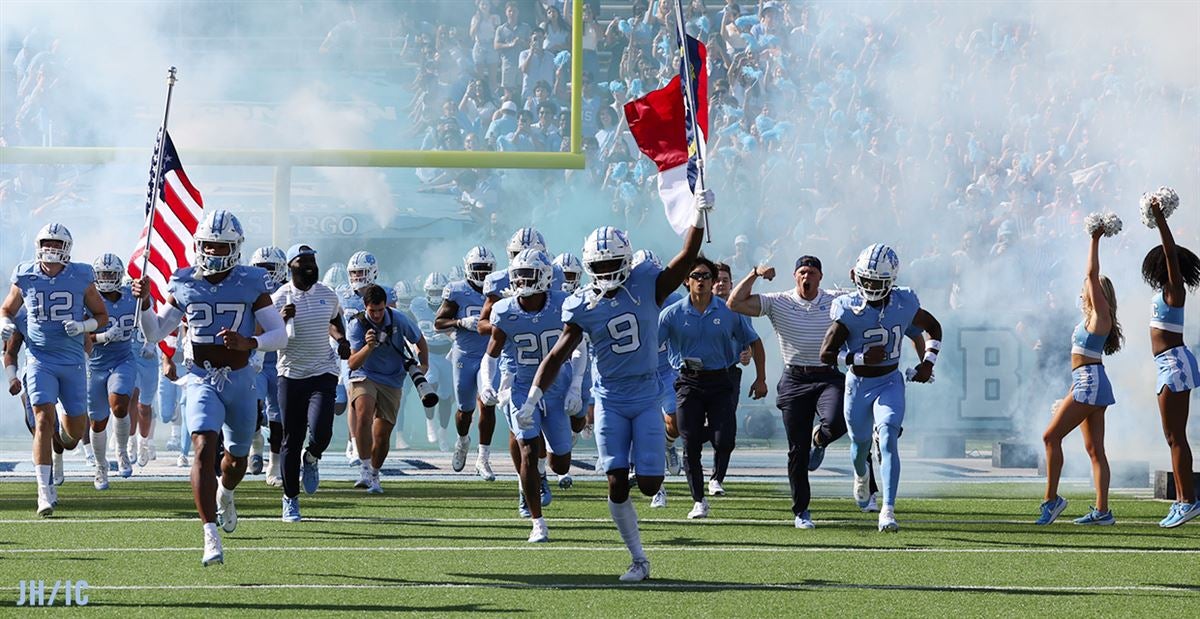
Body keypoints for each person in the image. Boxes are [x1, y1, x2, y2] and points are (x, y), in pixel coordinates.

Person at [526, 190, 711, 582]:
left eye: (613, 262)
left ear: (628, 260)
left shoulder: (647, 283)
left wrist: (698, 216)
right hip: (610, 397)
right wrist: (534, 396)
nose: (607, 270)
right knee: (615, 481)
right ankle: (638, 559)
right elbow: (558, 354)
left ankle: (654, 452)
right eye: (600, 264)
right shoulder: (581, 304)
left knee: (649, 484)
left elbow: (684, 261)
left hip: (646, 395)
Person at [134, 210, 287, 565]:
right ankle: (209, 534)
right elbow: (155, 332)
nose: (214, 253)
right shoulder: (185, 281)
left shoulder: (251, 281)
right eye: (208, 245)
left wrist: (249, 342)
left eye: (221, 246)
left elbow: (280, 335)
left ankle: (226, 493)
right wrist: (144, 306)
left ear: (235, 248)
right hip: (201, 377)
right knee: (203, 445)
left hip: (240, 380)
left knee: (236, 459)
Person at [730, 255, 884, 529]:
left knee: (840, 422)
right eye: (802, 271)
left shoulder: (835, 299)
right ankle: (801, 511)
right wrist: (755, 273)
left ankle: (821, 440)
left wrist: (859, 282)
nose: (806, 277)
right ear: (795, 276)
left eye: (812, 272)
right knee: (796, 451)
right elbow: (735, 302)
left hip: (828, 376)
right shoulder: (780, 300)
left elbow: (871, 301)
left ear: (820, 277)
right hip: (794, 379)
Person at [819, 243, 942, 533]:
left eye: (878, 281)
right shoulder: (847, 308)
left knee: (888, 438)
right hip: (858, 383)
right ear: (856, 277)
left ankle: (887, 509)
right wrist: (858, 357)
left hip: (890, 380)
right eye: (867, 279)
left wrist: (928, 362)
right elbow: (826, 354)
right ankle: (861, 476)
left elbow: (933, 327)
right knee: (859, 446)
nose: (871, 286)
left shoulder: (904, 302)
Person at [1, 223, 108, 517]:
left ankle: (65, 432)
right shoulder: (25, 274)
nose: (51, 248)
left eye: (57, 243)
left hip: (72, 362)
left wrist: (84, 326)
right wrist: (5, 323)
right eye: (47, 242)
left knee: (73, 434)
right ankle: (44, 493)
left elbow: (102, 316)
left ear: (67, 248)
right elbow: (6, 309)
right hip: (39, 361)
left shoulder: (81, 275)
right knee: (41, 419)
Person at [479, 249, 580, 542]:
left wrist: (576, 386)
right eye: (518, 275)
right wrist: (488, 383)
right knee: (526, 448)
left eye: (528, 274)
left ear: (546, 276)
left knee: (560, 463)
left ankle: (544, 470)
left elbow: (580, 346)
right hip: (521, 388)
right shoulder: (505, 310)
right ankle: (537, 521)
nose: (522, 280)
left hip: (557, 387)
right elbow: (491, 354)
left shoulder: (562, 304)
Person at [659, 256, 765, 519]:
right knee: (690, 442)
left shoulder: (728, 311)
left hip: (720, 380)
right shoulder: (672, 314)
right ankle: (698, 500)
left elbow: (753, 341)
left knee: (724, 440)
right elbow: (651, 346)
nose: (703, 281)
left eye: (707, 276)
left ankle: (704, 436)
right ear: (686, 280)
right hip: (688, 381)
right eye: (697, 276)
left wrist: (760, 377)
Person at [1037, 220, 1124, 526]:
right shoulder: (1091, 319)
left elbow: (1089, 274)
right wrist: (1068, 395)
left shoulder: (1101, 318)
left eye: (1092, 289)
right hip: (1087, 383)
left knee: (1050, 437)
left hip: (1090, 383)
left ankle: (1052, 500)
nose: (1086, 289)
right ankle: (1102, 512)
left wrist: (1095, 238)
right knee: (1094, 449)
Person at [272, 243, 351, 523]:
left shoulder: (328, 295)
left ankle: (313, 457)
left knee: (322, 431)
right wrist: (280, 320)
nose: (309, 267)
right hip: (291, 374)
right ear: (290, 267)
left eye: (313, 262)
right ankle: (290, 498)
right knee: (291, 439)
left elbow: (334, 321)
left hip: (323, 372)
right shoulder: (280, 297)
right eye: (303, 262)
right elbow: (264, 332)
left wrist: (341, 340)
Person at [1141, 191, 1200, 527]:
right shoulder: (1162, 292)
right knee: (1173, 436)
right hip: (1168, 364)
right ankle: (1183, 500)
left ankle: (1187, 500)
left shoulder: (1174, 290)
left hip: (1175, 362)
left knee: (1176, 436)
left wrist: (1159, 219)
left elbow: (1170, 255)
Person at [347, 284, 427, 494]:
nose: (377, 315)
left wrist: (423, 365)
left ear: (385, 306)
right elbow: (353, 363)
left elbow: (419, 339)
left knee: (382, 434)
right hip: (365, 374)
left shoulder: (399, 319)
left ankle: (375, 473)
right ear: (365, 307)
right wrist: (368, 347)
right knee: (363, 412)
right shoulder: (357, 324)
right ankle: (364, 469)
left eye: (380, 310)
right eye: (372, 310)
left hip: (393, 378)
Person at [436, 245, 498, 480]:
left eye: (486, 269)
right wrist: (461, 322)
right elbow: (439, 322)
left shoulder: (500, 289)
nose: (482, 274)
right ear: (468, 269)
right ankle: (463, 440)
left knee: (488, 401)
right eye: (478, 269)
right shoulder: (457, 291)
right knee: (465, 410)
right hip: (464, 355)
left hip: (489, 356)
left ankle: (483, 458)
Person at [706, 261, 765, 497]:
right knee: (697, 426)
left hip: (728, 374)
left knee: (726, 428)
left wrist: (747, 353)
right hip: (700, 375)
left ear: (732, 284)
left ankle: (716, 477)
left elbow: (748, 341)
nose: (721, 284)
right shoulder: (698, 306)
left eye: (725, 280)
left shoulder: (738, 309)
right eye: (717, 279)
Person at [629, 249, 682, 510]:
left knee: (676, 423)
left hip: (667, 369)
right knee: (642, 428)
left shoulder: (673, 299)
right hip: (638, 373)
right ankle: (655, 487)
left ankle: (668, 445)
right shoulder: (628, 298)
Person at [341, 251, 398, 471]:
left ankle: (361, 443)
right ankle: (354, 443)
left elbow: (392, 320)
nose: (357, 277)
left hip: (380, 353)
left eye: (361, 272)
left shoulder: (386, 293)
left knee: (373, 408)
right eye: (354, 272)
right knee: (353, 398)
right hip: (351, 352)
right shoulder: (342, 293)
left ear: (373, 272)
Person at [85, 253, 138, 489]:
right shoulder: (88, 299)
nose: (107, 279)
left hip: (122, 359)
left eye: (111, 274)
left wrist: (144, 295)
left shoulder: (131, 297)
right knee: (97, 422)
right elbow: (79, 337)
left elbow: (148, 312)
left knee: (119, 404)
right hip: (95, 364)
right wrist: (102, 336)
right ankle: (100, 466)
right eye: (103, 274)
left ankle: (122, 451)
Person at [249, 246, 288, 485]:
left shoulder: (289, 290)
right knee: (252, 409)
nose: (264, 273)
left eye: (269, 268)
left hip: (282, 360)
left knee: (278, 416)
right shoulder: (249, 290)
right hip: (256, 359)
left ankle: (274, 464)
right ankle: (255, 442)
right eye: (259, 268)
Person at [411, 271, 456, 450]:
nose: (436, 296)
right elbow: (407, 320)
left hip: (446, 355)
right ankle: (430, 421)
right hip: (428, 353)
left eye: (440, 292)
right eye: (433, 292)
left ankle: (443, 433)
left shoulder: (452, 306)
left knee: (445, 397)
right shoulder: (417, 305)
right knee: (430, 387)